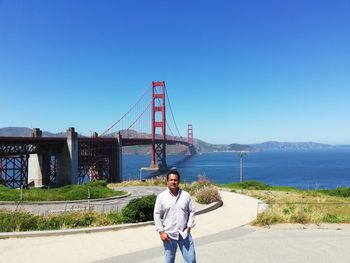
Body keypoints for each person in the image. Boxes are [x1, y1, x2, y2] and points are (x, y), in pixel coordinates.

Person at [153, 169, 197, 263]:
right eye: (171, 180)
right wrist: (161, 232)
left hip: (184, 233)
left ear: (178, 181)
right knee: (169, 260)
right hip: (169, 235)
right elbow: (156, 214)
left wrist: (189, 226)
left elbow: (192, 211)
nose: (173, 182)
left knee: (191, 259)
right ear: (167, 181)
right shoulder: (161, 197)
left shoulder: (186, 196)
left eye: (175, 180)